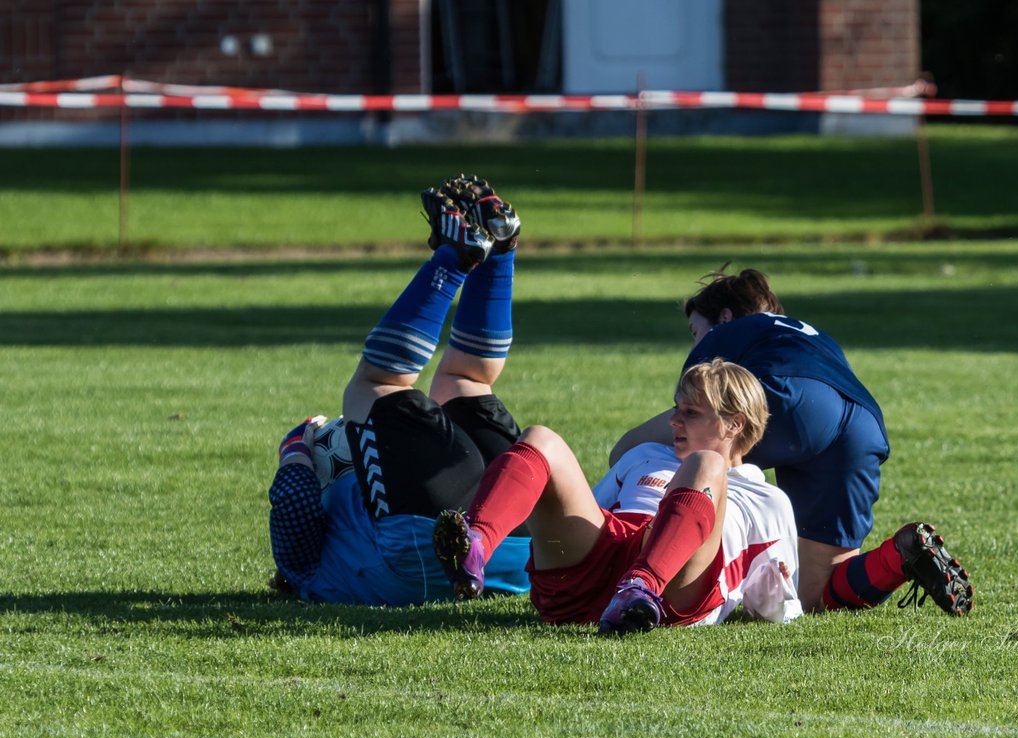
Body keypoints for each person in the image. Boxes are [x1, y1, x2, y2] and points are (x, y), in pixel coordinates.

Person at [609, 268, 974, 617]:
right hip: (862, 422)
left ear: (723, 316)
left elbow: (683, 430)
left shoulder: (726, 337)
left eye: (694, 331)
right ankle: (900, 555)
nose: (695, 343)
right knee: (815, 593)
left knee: (646, 451)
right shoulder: (799, 331)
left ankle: (645, 569)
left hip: (786, 399)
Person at [267, 175, 534, 605]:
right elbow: (294, 499)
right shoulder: (305, 572)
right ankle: (461, 259)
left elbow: (302, 506)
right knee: (375, 385)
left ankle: (500, 249)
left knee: (466, 381)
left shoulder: (319, 570)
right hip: (447, 548)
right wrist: (296, 447)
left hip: (519, 550)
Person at [432, 358, 802, 635]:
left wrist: (774, 586)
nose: (674, 421)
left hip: (674, 590)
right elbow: (588, 515)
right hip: (601, 566)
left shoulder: (766, 498)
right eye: (676, 408)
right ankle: (475, 542)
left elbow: (780, 609)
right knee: (541, 437)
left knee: (707, 464)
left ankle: (641, 587)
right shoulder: (644, 455)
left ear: (735, 424)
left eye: (690, 413)